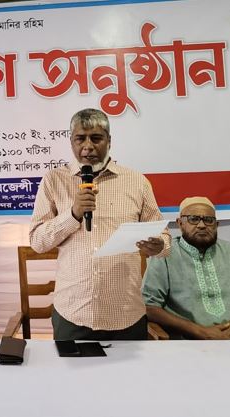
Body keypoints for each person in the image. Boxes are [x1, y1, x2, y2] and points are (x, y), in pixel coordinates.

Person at [30, 108, 170, 341]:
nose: (88, 146)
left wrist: (159, 245)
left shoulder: (137, 182)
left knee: (129, 368)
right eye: (80, 139)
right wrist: (73, 214)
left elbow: (164, 238)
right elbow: (37, 241)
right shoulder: (53, 180)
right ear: (71, 142)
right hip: (73, 312)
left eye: (96, 138)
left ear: (109, 141)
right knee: (71, 368)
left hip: (125, 312)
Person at [142, 197, 230, 339]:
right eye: (193, 219)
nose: (201, 225)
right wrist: (200, 332)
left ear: (216, 225)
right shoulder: (165, 254)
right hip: (186, 344)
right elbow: (149, 306)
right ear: (180, 223)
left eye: (208, 220)